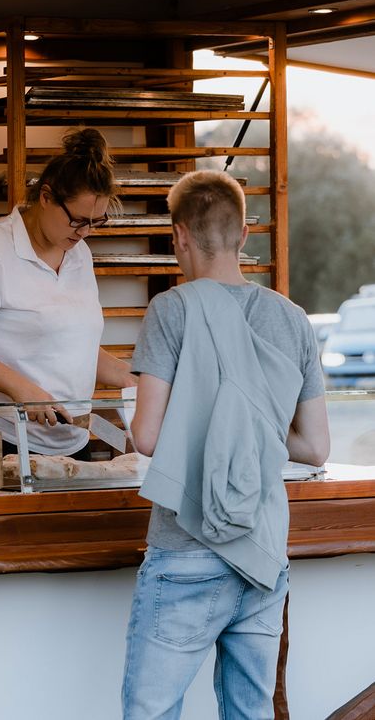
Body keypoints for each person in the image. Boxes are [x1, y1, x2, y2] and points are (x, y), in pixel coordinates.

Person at [122, 170, 330, 719]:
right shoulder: (293, 320)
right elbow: (315, 447)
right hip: (264, 550)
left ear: (179, 236)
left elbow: (146, 435)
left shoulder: (172, 309)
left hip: (187, 547)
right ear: (243, 234)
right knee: (250, 712)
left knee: (151, 710)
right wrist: (255, 428)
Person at [0, 127, 136, 460]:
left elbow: (67, 343)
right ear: (46, 197)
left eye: (96, 222)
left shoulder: (78, 253)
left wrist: (127, 375)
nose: (85, 232)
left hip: (70, 439)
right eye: (78, 220)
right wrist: (21, 389)